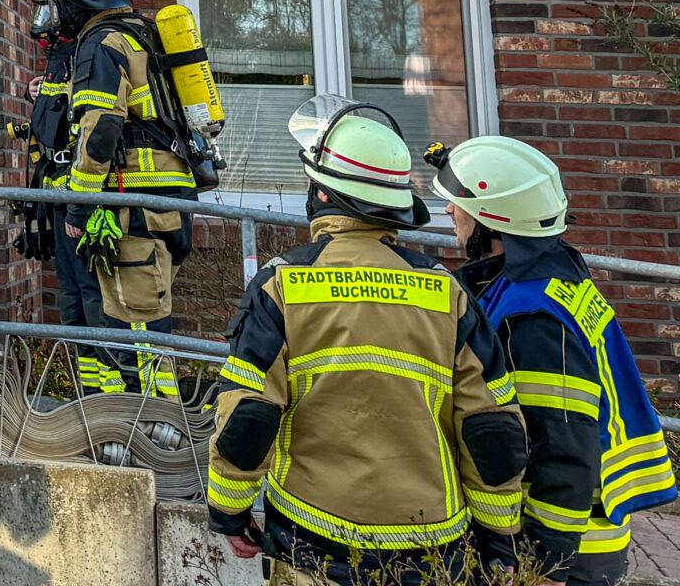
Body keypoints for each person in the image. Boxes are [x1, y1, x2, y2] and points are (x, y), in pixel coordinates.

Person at [205, 98, 528, 586]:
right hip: (430, 545)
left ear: (323, 195)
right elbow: (493, 429)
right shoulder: (447, 291)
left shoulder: (283, 284)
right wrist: (498, 537)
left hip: (312, 539)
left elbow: (249, 414)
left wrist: (229, 512)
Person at [430, 135, 679, 583]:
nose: (450, 210)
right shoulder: (550, 275)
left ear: (492, 220)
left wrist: (544, 566)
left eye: (459, 203)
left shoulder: (533, 317)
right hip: (581, 534)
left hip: (567, 548)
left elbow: (562, 444)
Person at [24, 0, 196, 397]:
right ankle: (121, 420)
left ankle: (153, 434)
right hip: (166, 198)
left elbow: (100, 132)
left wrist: (78, 208)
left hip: (133, 204)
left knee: (135, 330)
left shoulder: (102, 44)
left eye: (57, 6)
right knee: (134, 323)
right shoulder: (140, 32)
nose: (55, 17)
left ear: (76, 2)